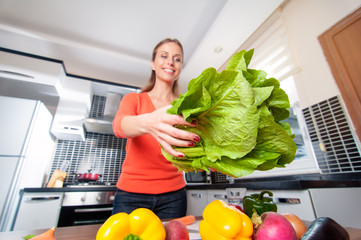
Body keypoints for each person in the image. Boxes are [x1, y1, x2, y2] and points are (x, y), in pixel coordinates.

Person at [112, 38, 200, 219]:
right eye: (164, 56)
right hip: (131, 195)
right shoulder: (134, 99)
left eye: (177, 58)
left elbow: (193, 147)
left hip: (174, 196)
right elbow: (119, 126)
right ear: (153, 64)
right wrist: (149, 122)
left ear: (180, 67)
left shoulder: (186, 107)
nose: (170, 62)